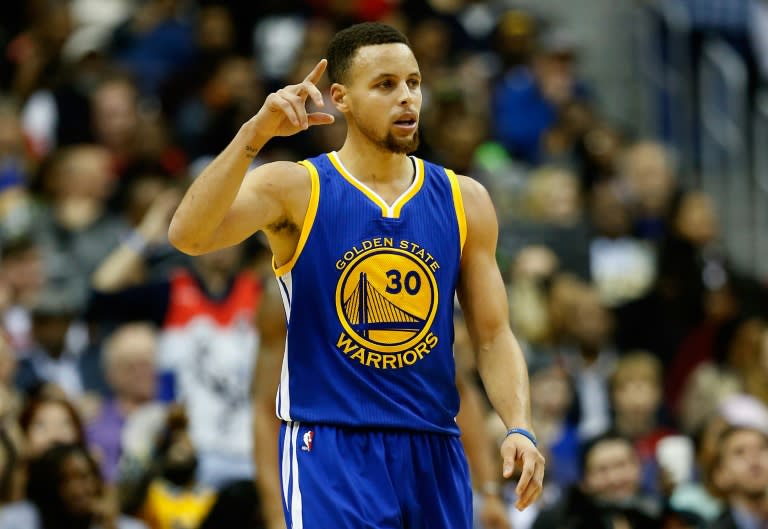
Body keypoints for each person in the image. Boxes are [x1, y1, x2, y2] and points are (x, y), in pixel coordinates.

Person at [168, 22, 545, 529]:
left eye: (413, 82)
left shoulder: (466, 200)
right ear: (340, 98)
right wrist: (254, 134)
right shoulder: (295, 188)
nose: (407, 98)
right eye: (385, 85)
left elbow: (494, 335)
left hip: (434, 447)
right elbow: (189, 235)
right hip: (331, 448)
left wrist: (519, 426)